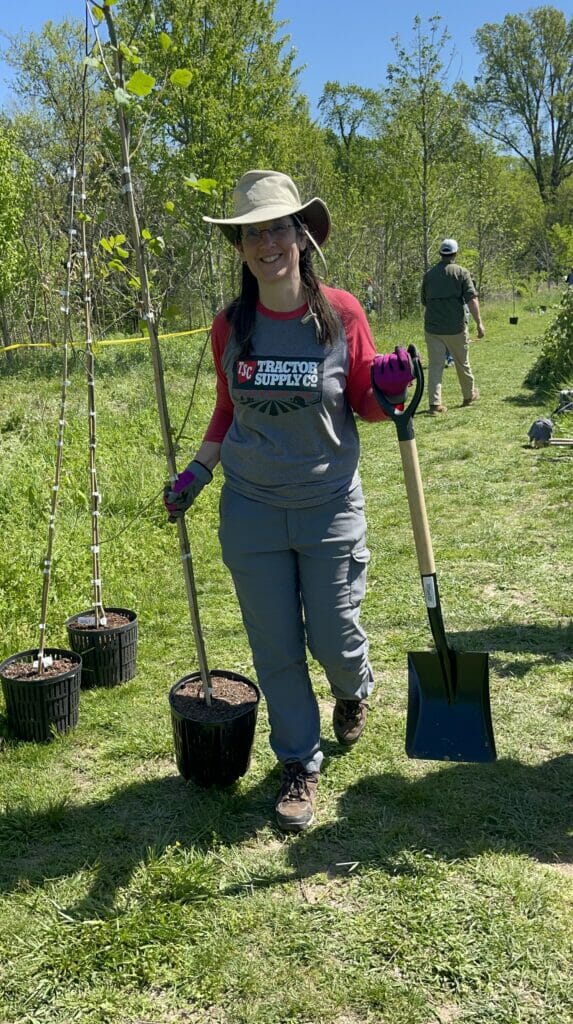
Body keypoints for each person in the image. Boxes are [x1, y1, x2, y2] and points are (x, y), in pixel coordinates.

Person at [163, 169, 414, 832]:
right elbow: (227, 409)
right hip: (250, 508)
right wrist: (196, 472)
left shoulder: (340, 312)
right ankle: (299, 763)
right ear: (240, 247)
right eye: (251, 232)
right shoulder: (231, 326)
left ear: (301, 234)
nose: (265, 242)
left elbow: (363, 403)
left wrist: (388, 388)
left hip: (328, 503)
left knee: (333, 634)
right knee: (274, 646)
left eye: (276, 226)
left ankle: (352, 688)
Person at [421, 238, 484, 414]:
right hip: (455, 327)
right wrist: (479, 323)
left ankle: (435, 404)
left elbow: (424, 301)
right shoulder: (462, 273)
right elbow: (471, 299)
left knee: (435, 365)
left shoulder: (429, 275)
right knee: (462, 363)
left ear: (441, 254)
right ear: (455, 254)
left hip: (432, 328)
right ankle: (468, 395)